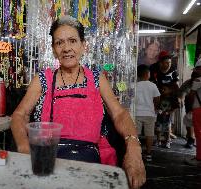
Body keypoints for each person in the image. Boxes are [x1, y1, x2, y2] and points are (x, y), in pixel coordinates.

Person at [11, 15, 146, 189]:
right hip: (48, 157)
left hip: (90, 160)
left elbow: (119, 113)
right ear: (53, 49)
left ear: (84, 45)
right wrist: (23, 148)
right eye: (59, 43)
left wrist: (134, 147)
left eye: (72, 41)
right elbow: (20, 115)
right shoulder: (43, 79)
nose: (66, 48)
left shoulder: (97, 78)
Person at [150, 50, 180, 143]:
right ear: (160, 63)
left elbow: (177, 85)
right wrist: (158, 91)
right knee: (158, 117)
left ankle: (168, 135)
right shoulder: (153, 69)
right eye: (166, 63)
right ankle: (159, 137)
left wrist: (170, 91)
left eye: (169, 63)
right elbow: (151, 83)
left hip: (170, 97)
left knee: (168, 118)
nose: (168, 65)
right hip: (157, 96)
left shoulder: (174, 70)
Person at [136, 64, 160, 162]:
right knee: (149, 134)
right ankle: (148, 153)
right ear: (147, 74)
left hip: (137, 113)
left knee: (136, 134)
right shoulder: (152, 85)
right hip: (150, 113)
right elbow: (157, 99)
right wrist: (155, 109)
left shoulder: (135, 85)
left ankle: (136, 153)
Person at [185, 58, 201, 166]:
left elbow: (191, 95)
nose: (195, 71)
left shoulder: (198, 80)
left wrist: (189, 109)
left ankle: (199, 158)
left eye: (197, 69)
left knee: (199, 134)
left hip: (198, 109)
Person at [178, 71, 199, 148]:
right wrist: (181, 99)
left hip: (198, 105)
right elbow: (182, 92)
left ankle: (193, 138)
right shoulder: (188, 83)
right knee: (189, 121)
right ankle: (191, 138)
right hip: (190, 104)